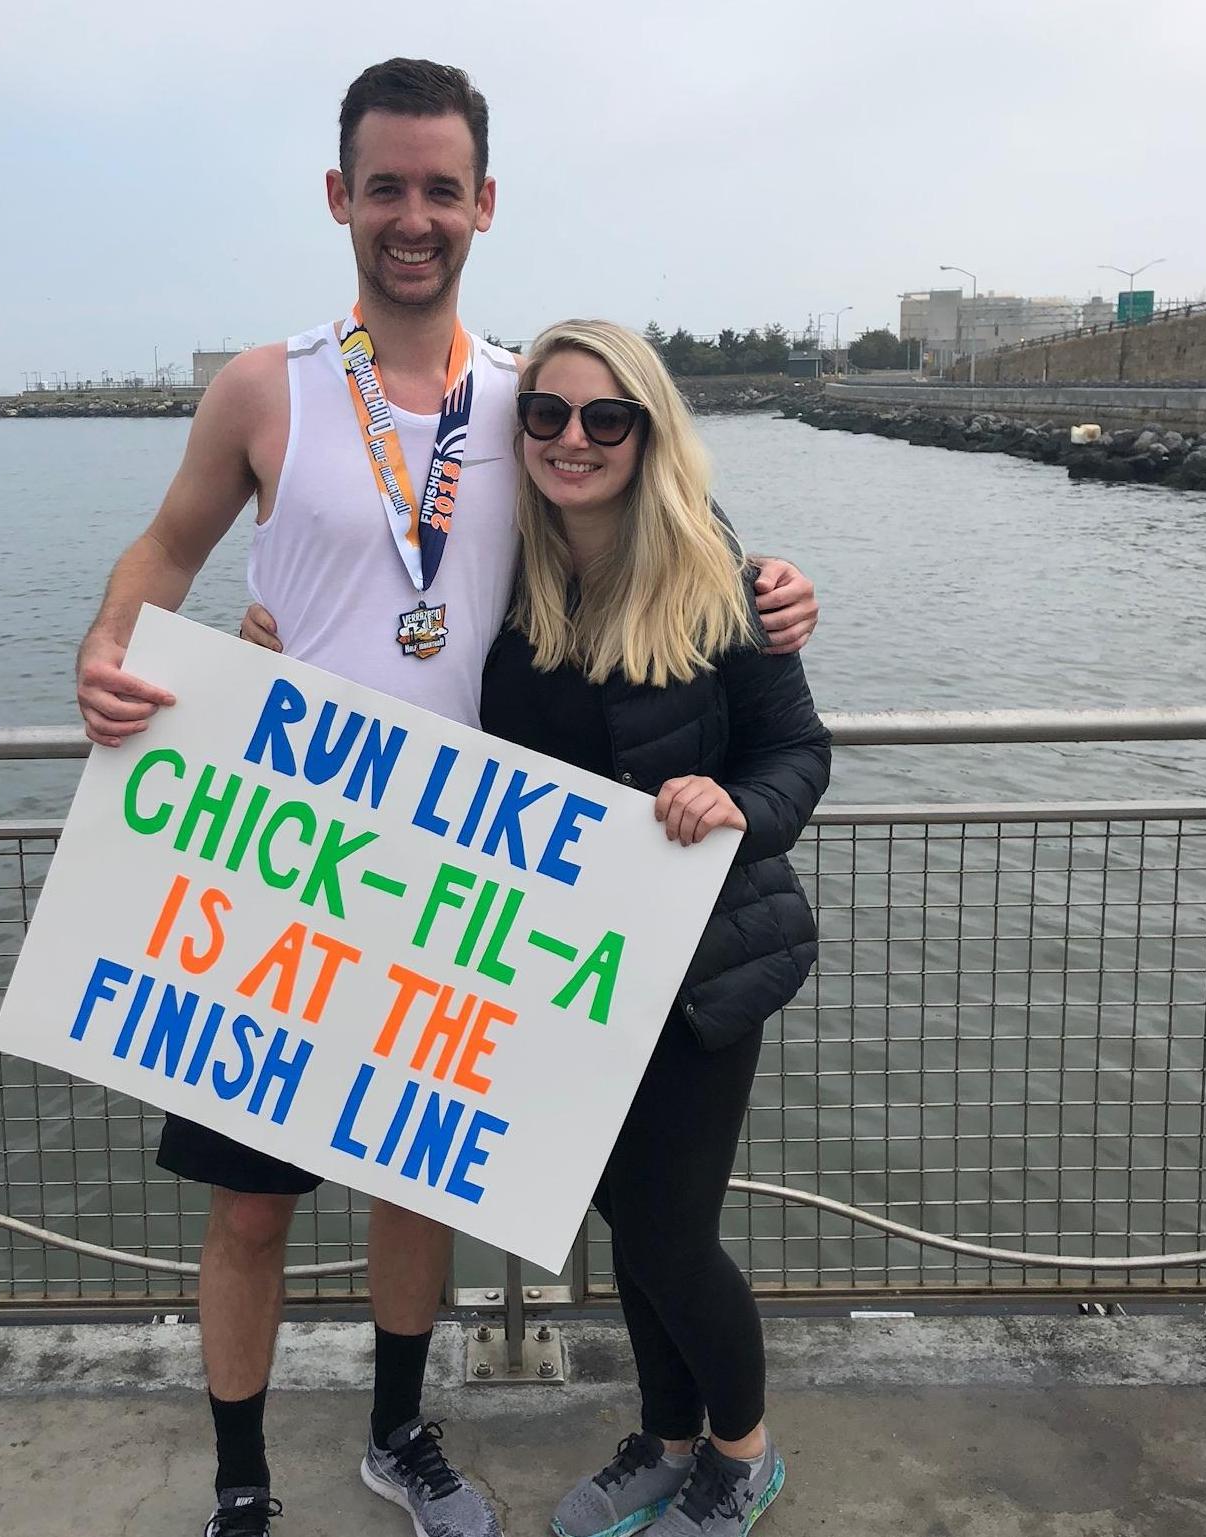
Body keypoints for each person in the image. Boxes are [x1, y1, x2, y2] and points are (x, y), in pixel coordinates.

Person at [75, 60, 821, 1537]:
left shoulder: (530, 402)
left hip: (457, 883)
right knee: (248, 1205)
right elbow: (165, 548)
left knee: (410, 1185)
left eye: (441, 189)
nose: (412, 217)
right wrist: (108, 651)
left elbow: (660, 541)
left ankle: (401, 1435)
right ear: (339, 197)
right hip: (281, 850)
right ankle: (240, 1478)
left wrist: (773, 590)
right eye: (385, 186)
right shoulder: (262, 385)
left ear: (483, 204)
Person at [477, 318, 830, 1537]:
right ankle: (667, 1436)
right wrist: (275, 649)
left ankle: (742, 1451)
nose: (572, 440)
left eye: (603, 418)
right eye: (546, 415)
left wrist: (738, 804)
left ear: (645, 431)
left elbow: (796, 748)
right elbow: (388, 668)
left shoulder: (710, 573)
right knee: (626, 1218)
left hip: (700, 963)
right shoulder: (497, 574)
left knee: (671, 1229)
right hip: (560, 965)